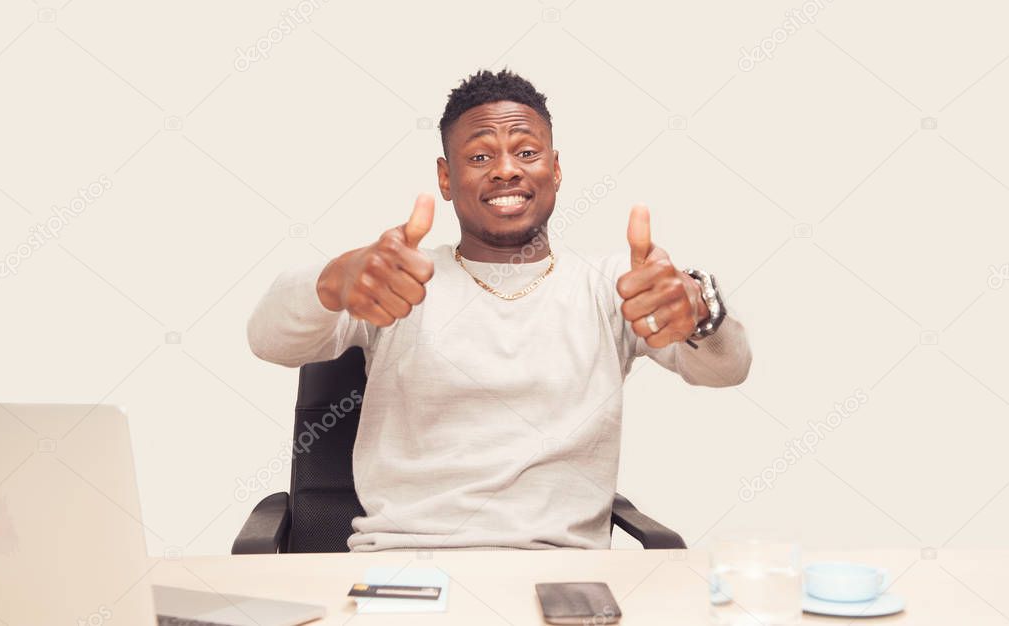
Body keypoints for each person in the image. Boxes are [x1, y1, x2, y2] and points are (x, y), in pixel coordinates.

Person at [247, 69, 752, 552]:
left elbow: (729, 369)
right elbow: (268, 340)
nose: (507, 168)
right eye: (481, 156)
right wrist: (333, 281)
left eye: (527, 152)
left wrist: (699, 312)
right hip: (404, 565)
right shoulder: (394, 279)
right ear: (446, 178)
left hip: (561, 571)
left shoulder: (613, 285)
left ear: (555, 169)